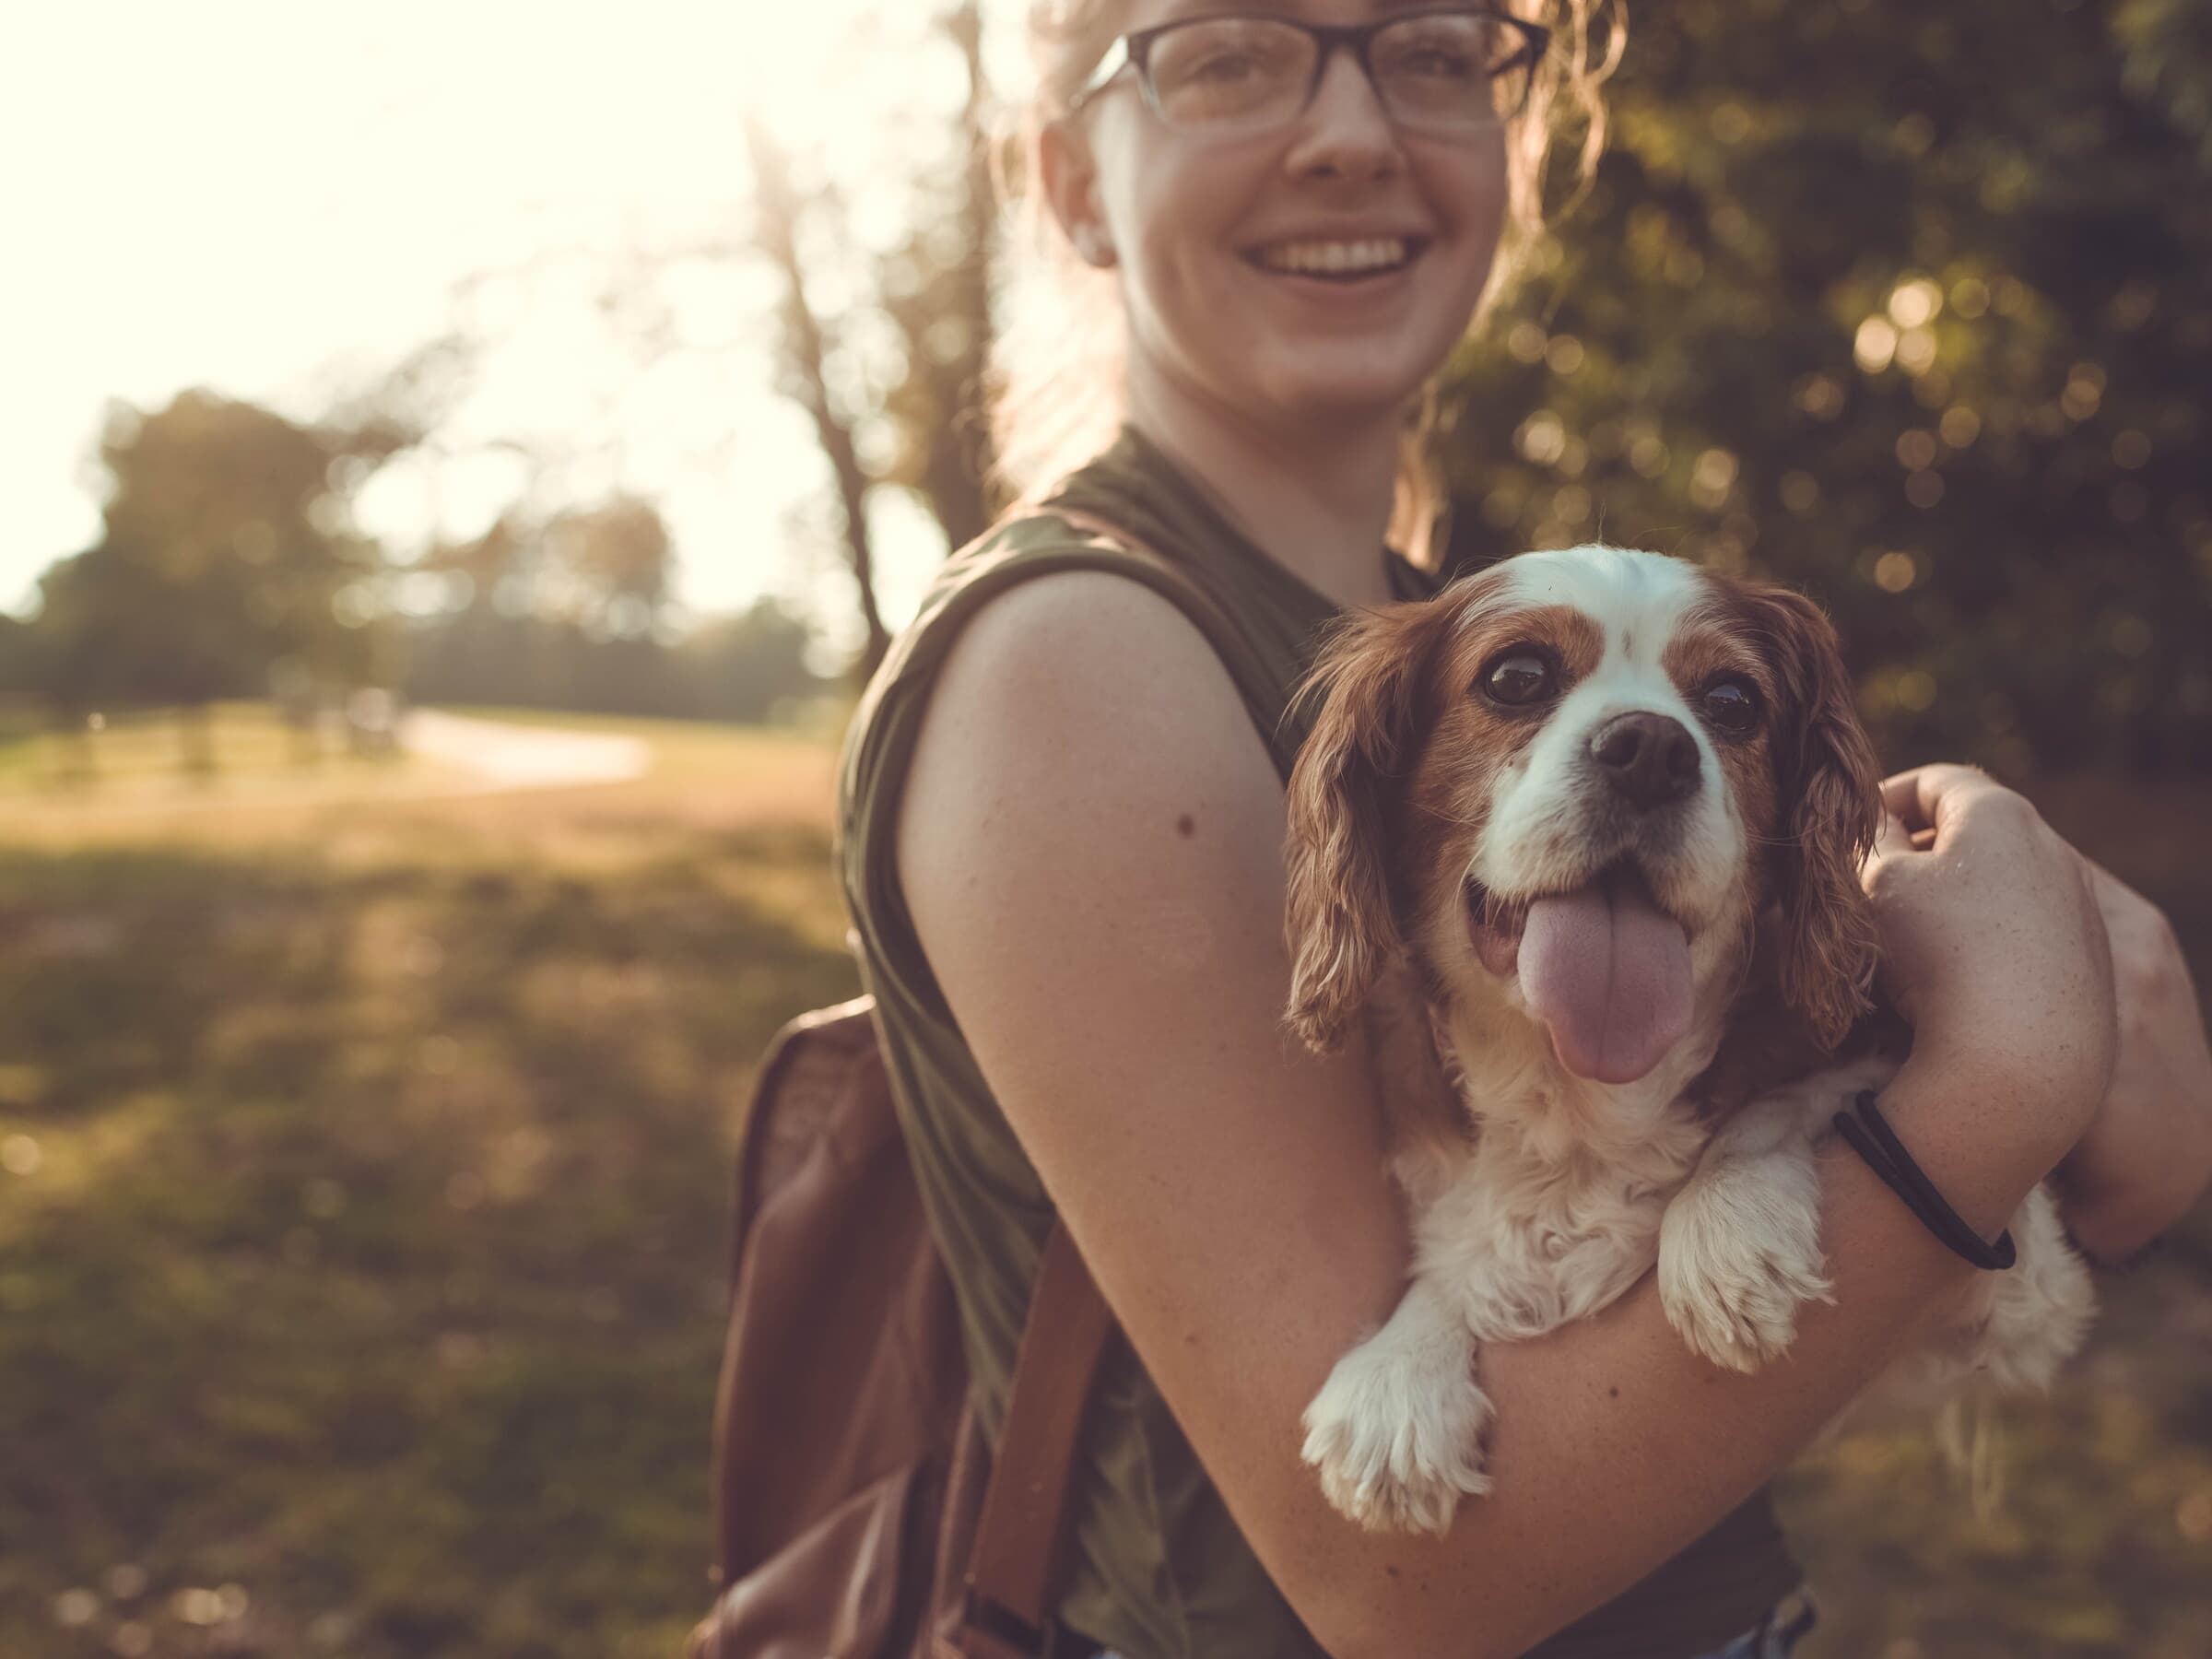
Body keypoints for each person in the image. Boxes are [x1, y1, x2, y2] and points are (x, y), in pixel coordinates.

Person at [833, 4, 2212, 1655]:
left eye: (1428, 48)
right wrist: (2003, 1087)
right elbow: (1396, 1585)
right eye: (1226, 51)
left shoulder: (1462, 629)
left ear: (1522, 143)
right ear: (1067, 176)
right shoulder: (1076, 655)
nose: (1350, 131)